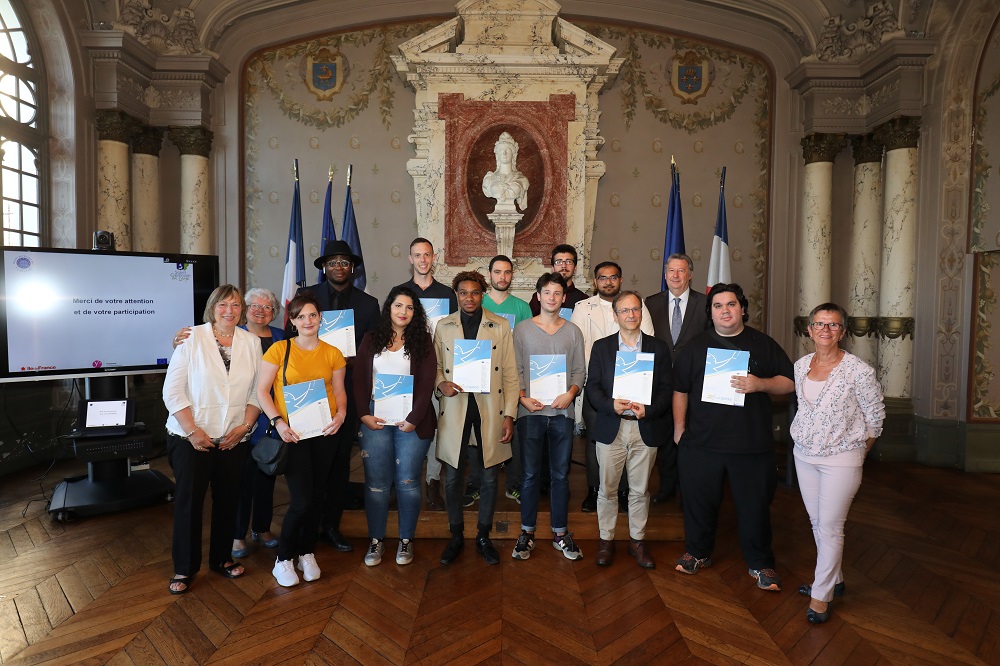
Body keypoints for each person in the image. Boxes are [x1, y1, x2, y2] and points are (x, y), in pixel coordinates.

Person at [672, 283, 794, 591]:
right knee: (698, 504)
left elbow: (789, 382)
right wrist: (679, 431)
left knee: (755, 508)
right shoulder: (695, 347)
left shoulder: (763, 344)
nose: (725, 311)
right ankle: (697, 553)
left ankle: (760, 562)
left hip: (751, 445)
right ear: (710, 313)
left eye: (731, 304)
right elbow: (680, 390)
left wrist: (759, 384)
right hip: (702, 443)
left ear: (742, 309)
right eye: (718, 306)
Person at [162, 285, 262, 594]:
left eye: (235, 305)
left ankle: (221, 559)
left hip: (233, 437)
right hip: (190, 437)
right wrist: (193, 431)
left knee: (228, 500)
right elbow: (172, 391)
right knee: (189, 503)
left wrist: (245, 427)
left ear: (242, 310)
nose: (229, 310)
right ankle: (184, 568)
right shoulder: (191, 338)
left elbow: (258, 391)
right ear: (212, 307)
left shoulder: (252, 342)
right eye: (223, 304)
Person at [790, 302, 884, 623]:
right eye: (819, 324)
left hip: (843, 459)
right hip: (804, 455)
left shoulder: (859, 371)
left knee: (831, 527)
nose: (825, 330)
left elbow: (875, 419)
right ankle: (834, 580)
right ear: (809, 330)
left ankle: (820, 596)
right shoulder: (800, 366)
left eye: (832, 325)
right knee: (818, 522)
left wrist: (859, 453)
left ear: (842, 332)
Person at [292, 239, 379, 553]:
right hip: (309, 392)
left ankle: (331, 525)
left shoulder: (368, 304)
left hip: (349, 391)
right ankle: (307, 525)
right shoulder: (307, 298)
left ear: (352, 268)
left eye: (344, 262)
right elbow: (291, 341)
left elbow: (374, 348)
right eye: (332, 262)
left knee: (340, 461)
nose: (339, 267)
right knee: (309, 462)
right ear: (324, 268)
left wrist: (352, 360)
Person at [259, 292, 348, 587]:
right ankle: (284, 558)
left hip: (325, 433)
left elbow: (339, 391)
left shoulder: (333, 353)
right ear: (293, 321)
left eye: (312, 315)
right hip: (293, 434)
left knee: (318, 496)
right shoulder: (279, 350)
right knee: (301, 499)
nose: (308, 321)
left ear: (321, 318)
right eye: (301, 317)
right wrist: (278, 422)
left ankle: (307, 553)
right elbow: (262, 391)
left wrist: (341, 415)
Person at [434, 271, 518, 565]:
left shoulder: (500, 325)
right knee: (453, 477)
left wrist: (510, 414)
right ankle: (456, 534)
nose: (468, 298)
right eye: (463, 292)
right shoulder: (443, 326)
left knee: (489, 477)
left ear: (483, 294)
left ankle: (484, 535)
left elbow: (510, 374)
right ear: (456, 295)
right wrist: (440, 384)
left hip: (489, 409)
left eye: (474, 292)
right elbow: (436, 366)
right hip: (455, 408)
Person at [586, 291, 672, 569]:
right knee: (607, 490)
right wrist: (610, 405)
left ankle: (637, 541)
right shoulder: (602, 347)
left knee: (639, 490)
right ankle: (606, 540)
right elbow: (592, 387)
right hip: (612, 427)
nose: (631, 315)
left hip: (645, 428)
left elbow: (666, 390)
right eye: (624, 310)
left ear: (641, 313)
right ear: (615, 316)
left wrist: (650, 410)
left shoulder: (659, 348)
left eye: (635, 309)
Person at [353, 286, 438, 566]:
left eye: (410, 307)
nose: (403, 312)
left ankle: (406, 540)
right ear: (389, 307)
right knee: (377, 485)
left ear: (416, 313)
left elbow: (427, 383)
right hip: (375, 419)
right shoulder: (371, 338)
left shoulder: (423, 341)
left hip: (411, 421)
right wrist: (363, 414)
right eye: (398, 305)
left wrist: (414, 418)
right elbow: (359, 379)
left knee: (408, 482)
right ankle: (376, 540)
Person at [511, 272, 586, 561]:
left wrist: (571, 393)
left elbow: (579, 370)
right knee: (530, 475)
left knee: (560, 475)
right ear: (538, 296)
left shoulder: (573, 331)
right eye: (547, 292)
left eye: (557, 293)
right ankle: (527, 532)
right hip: (530, 412)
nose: (552, 298)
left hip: (562, 413)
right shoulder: (522, 330)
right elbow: (515, 369)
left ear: (564, 298)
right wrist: (522, 398)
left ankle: (560, 533)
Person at [571, 261, 653, 512]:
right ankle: (594, 489)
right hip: (597, 385)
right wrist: (602, 374)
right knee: (597, 439)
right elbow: (579, 345)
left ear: (620, 279)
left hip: (633, 386)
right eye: (603, 278)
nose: (608, 282)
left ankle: (625, 491)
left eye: (613, 277)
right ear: (595, 282)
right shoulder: (582, 307)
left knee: (629, 440)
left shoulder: (637, 305)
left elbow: (648, 344)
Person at [395, 237, 457, 512]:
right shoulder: (400, 292)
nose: (422, 260)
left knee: (435, 426)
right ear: (410, 259)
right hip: (404, 369)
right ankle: (401, 480)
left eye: (427, 255)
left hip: (437, 368)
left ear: (434, 258)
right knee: (401, 422)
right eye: (417, 255)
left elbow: (454, 333)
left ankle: (432, 480)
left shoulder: (447, 294)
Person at [646, 253, 709, 504]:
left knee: (690, 438)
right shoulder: (651, 303)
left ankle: (687, 491)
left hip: (693, 384)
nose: (675, 275)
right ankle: (666, 488)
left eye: (681, 271)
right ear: (665, 275)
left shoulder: (705, 304)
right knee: (665, 439)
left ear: (690, 275)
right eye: (671, 271)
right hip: (660, 383)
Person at [474, 254, 532, 506]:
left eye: (507, 272)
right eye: (497, 272)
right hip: (480, 377)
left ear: (512, 275)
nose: (502, 277)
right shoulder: (478, 301)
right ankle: (475, 485)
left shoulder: (522, 307)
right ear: (489, 275)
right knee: (477, 434)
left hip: (510, 376)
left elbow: (527, 343)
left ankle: (513, 485)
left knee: (512, 433)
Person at [232, 287, 284, 558]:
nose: (261, 311)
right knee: (241, 480)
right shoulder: (234, 335)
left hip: (273, 417)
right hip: (241, 417)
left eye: (267, 307)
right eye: (255, 306)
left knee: (267, 475)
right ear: (245, 309)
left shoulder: (281, 337)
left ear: (274, 313)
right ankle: (237, 534)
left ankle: (262, 528)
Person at [529, 244, 588, 316]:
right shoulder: (540, 297)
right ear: (552, 268)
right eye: (559, 262)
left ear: (575, 268)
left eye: (569, 262)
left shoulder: (583, 300)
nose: (564, 266)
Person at [482, 131, 529, 212]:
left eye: (508, 150)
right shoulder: (489, 179)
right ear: (497, 155)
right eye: (501, 150)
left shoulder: (522, 180)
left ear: (513, 155)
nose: (504, 153)